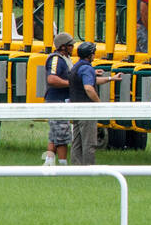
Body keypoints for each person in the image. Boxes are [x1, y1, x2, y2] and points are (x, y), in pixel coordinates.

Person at [67, 41, 113, 166]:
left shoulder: (77, 66)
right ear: (90, 55)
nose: (94, 55)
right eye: (93, 53)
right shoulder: (87, 68)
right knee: (89, 143)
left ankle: (76, 168)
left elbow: (92, 80)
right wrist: (99, 103)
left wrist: (110, 78)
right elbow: (88, 87)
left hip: (76, 109)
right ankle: (89, 169)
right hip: (87, 110)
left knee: (77, 142)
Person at [42, 32, 74, 166]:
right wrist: (70, 84)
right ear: (63, 46)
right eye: (71, 45)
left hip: (62, 101)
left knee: (56, 134)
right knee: (62, 135)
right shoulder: (56, 59)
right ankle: (63, 165)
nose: (73, 47)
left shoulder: (65, 58)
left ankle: (49, 162)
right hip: (57, 101)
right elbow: (51, 79)